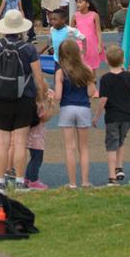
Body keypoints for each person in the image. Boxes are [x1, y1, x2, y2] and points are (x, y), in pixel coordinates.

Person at [0, 8, 46, 191]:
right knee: (20, 143)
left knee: (2, 143)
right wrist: (40, 100)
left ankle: (0, 182)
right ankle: (19, 181)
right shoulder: (29, 49)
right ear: (21, 28)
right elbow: (38, 79)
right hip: (23, 99)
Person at [51, 38, 98, 190]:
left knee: (69, 148)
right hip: (83, 108)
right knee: (83, 148)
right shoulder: (87, 69)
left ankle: (72, 183)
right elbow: (91, 93)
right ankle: (85, 181)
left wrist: (51, 95)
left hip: (67, 109)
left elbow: (58, 96)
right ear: (78, 53)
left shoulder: (60, 72)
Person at [97, 46, 130, 185]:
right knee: (121, 140)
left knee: (111, 144)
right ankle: (119, 167)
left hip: (113, 116)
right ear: (123, 59)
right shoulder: (128, 76)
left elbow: (103, 99)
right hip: (127, 114)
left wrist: (96, 116)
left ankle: (111, 175)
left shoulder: (106, 79)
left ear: (106, 61)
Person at [72, 0, 105, 71]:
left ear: (87, 4)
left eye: (80, 2)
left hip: (92, 44)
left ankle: (93, 81)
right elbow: (71, 31)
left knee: (92, 66)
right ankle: (83, 81)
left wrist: (100, 44)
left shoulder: (94, 15)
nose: (78, 4)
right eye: (77, 2)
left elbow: (98, 31)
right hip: (80, 44)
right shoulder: (75, 16)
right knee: (81, 64)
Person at [23, 100, 51, 191]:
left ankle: (27, 179)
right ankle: (34, 181)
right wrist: (51, 106)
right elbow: (45, 118)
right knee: (37, 159)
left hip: (30, 135)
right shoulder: (40, 104)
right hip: (37, 137)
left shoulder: (31, 103)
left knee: (33, 158)